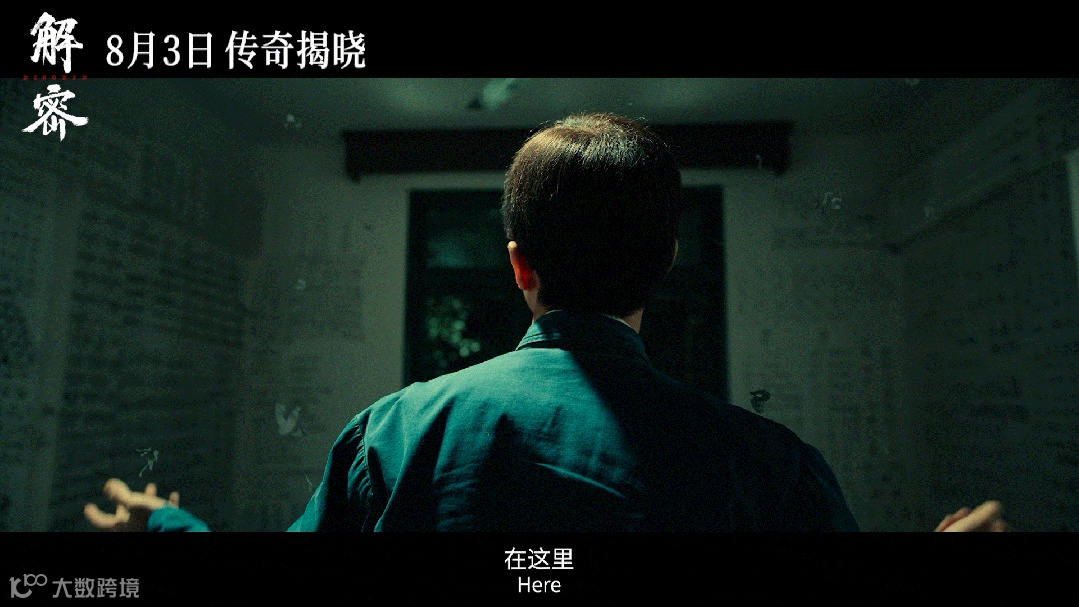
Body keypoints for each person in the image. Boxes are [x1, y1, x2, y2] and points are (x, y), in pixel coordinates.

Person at [85, 112, 1007, 532]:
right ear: (666, 261)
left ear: (519, 266)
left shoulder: (394, 435)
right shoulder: (769, 468)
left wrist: (164, 526)